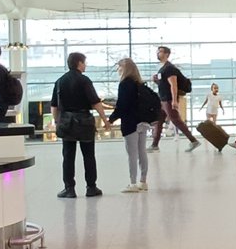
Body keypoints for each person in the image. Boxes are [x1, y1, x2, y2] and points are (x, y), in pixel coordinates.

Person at [51, 51, 107, 198]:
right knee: (88, 155)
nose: (85, 65)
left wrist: (57, 121)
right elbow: (95, 102)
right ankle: (91, 187)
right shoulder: (84, 81)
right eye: (84, 62)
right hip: (84, 122)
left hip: (67, 122)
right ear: (79, 63)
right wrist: (105, 120)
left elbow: (54, 106)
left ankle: (69, 188)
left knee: (68, 156)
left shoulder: (60, 81)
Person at [106, 57, 151, 192]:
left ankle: (132, 183)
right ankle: (143, 181)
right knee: (142, 152)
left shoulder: (125, 84)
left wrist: (110, 120)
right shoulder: (140, 84)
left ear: (124, 68)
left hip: (130, 123)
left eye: (119, 67)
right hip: (143, 122)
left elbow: (122, 106)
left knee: (132, 153)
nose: (118, 70)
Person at [154, 45, 199, 151]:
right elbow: (164, 85)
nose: (158, 53)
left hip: (168, 99)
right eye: (158, 51)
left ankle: (193, 140)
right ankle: (155, 144)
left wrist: (174, 100)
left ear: (166, 54)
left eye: (160, 51)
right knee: (159, 120)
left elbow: (173, 85)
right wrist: (156, 81)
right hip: (163, 99)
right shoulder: (163, 68)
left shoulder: (169, 68)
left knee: (176, 120)